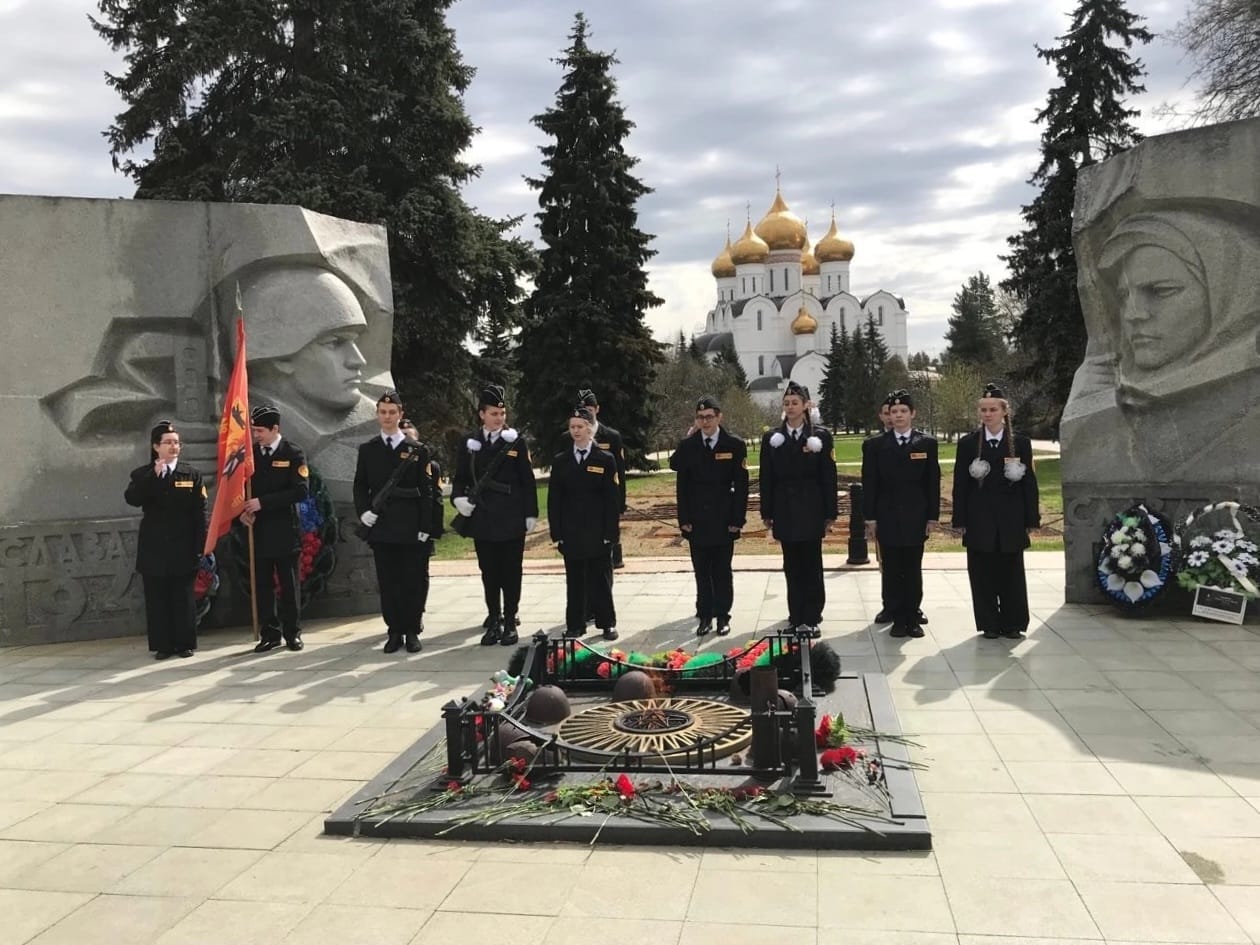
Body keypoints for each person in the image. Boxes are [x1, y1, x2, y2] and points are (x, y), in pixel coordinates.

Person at [353, 391, 443, 654]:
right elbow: (360, 485)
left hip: (411, 526)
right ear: (377, 415)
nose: (388, 417)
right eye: (383, 412)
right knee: (389, 581)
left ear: (400, 414)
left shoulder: (417, 450)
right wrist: (364, 512)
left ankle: (412, 629)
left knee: (412, 580)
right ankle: (394, 631)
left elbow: (426, 492)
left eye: (392, 412)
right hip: (382, 527)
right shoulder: (368, 449)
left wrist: (425, 527)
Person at [452, 384, 539, 646]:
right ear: (481, 414)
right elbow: (460, 479)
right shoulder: (470, 443)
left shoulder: (515, 441)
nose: (499, 418)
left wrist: (530, 512)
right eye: (493, 413)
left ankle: (511, 621)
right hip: (483, 518)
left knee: (511, 572)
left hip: (511, 517)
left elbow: (528, 480)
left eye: (502, 413)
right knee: (489, 572)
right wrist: (458, 500)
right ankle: (494, 619)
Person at [952, 384, 1040, 639]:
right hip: (980, 519)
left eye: (992, 409)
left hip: (1010, 519)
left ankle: (1013, 622)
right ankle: (989, 622)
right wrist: (960, 519)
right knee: (982, 573)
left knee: (1011, 572)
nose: (987, 414)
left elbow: (1029, 483)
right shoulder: (969, 444)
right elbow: (960, 483)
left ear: (1004, 412)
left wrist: (1031, 518)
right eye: (983, 410)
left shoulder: (1019, 443)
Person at [124, 420, 207, 659]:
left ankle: (185, 644)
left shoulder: (191, 474)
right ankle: (163, 645)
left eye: (177, 443)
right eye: (168, 443)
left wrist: (200, 546)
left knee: (183, 598)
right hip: (154, 547)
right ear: (155, 447)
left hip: (183, 546)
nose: (173, 447)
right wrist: (153, 476)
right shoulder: (142, 474)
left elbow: (199, 512)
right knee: (157, 598)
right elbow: (132, 498)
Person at [759, 381, 838, 633]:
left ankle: (812, 616)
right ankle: (796, 615)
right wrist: (767, 511)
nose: (790, 407)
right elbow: (766, 477)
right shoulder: (772, 438)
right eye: (786, 403)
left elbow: (829, 476)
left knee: (812, 564)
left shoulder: (820, 436)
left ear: (806, 405)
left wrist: (830, 512)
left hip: (811, 507)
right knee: (791, 565)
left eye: (795, 403)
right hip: (785, 508)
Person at [861, 390, 940, 638]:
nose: (898, 415)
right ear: (888, 416)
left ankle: (912, 615)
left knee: (913, 568)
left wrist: (932, 517)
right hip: (887, 516)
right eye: (894, 412)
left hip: (916, 516)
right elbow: (870, 483)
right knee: (892, 568)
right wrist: (870, 518)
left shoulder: (926, 444)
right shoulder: (875, 445)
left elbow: (932, 483)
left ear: (912, 414)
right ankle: (896, 617)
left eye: (903, 411)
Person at [670, 396, 749, 637]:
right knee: (701, 572)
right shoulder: (689, 445)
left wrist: (738, 520)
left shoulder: (734, 444)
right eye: (701, 418)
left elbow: (742, 485)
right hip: (697, 520)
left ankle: (723, 616)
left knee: (722, 571)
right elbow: (679, 478)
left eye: (709, 417)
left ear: (719, 417)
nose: (705, 421)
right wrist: (683, 519)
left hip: (724, 519)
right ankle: (705, 616)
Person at [239, 404, 310, 653]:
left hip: (284, 530)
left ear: (275, 429)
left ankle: (293, 633)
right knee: (263, 586)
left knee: (289, 586)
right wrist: (243, 512)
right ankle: (269, 633)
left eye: (260, 430)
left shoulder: (292, 453)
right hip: (258, 531)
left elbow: (300, 490)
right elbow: (241, 489)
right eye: (254, 430)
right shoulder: (251, 456)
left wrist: (263, 503)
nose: (256, 435)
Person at [549, 408, 620, 641]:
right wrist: (557, 533)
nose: (576, 431)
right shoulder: (561, 461)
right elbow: (554, 500)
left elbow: (612, 500)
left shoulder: (605, 459)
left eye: (580, 427)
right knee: (575, 581)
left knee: (600, 580)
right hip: (571, 532)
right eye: (572, 427)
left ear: (590, 429)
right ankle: (575, 625)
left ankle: (607, 623)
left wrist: (611, 532)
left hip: (598, 531)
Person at [577, 389, 628, 569]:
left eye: (590, 409)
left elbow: (619, 473)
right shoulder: (573, 436)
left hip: (606, 495)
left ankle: (615, 557)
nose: (586, 413)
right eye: (582, 409)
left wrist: (621, 501)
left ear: (597, 409)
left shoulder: (611, 436)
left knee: (610, 527)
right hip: (583, 497)